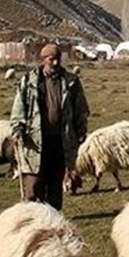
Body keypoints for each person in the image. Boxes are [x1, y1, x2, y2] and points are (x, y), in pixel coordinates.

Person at [10, 43, 89, 210]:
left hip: (61, 140)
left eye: (58, 59)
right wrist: (18, 127)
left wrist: (81, 129)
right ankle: (31, 218)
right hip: (35, 141)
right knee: (34, 182)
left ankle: (53, 217)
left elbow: (81, 108)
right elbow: (19, 107)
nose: (55, 63)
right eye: (52, 59)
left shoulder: (71, 82)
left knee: (55, 182)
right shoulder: (29, 81)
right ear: (44, 60)